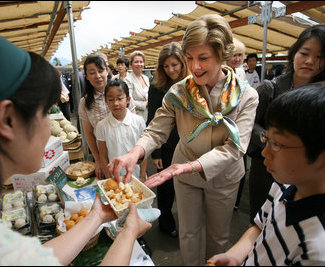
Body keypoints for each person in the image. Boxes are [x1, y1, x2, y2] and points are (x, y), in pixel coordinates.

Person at [0, 17, 151, 266]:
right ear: (8, 120)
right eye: (45, 113)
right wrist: (128, 232)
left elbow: (38, 259)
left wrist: (96, 216)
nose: (49, 128)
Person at [108, 14, 259, 265]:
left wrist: (186, 167)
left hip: (223, 176)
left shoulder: (245, 96)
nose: (195, 66)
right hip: (185, 172)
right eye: (189, 58)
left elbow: (235, 147)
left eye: (203, 58)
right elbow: (157, 129)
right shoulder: (179, 91)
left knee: (219, 236)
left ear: (221, 55)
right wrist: (134, 152)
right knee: (188, 234)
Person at [208, 80, 325, 266]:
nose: (265, 152)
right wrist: (235, 256)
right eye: (266, 138)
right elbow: (259, 226)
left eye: (277, 144)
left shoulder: (323, 254)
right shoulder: (285, 185)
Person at [247, 23, 325, 223]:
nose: (310, 61)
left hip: (307, 173)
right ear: (294, 53)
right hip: (266, 166)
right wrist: (268, 139)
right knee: (260, 218)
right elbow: (250, 123)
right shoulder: (270, 88)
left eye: (320, 57)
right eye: (304, 52)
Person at [146, 42, 189, 238]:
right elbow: (152, 120)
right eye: (166, 66)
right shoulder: (157, 87)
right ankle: (165, 222)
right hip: (166, 146)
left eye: (175, 64)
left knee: (187, 186)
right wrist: (155, 152)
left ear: (182, 63)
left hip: (189, 144)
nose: (171, 69)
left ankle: (188, 223)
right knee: (166, 188)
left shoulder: (192, 83)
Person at [78, 55, 136, 180]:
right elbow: (88, 133)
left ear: (107, 71)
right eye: (92, 73)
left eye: (100, 71)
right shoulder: (85, 102)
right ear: (86, 76)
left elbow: (134, 123)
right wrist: (98, 159)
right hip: (104, 157)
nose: (98, 76)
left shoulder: (121, 91)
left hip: (126, 150)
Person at [96, 79, 148, 182]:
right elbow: (103, 155)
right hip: (114, 177)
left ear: (128, 99)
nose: (115, 103)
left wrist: (142, 175)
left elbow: (144, 151)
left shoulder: (138, 121)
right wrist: (108, 178)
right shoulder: (102, 126)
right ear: (106, 101)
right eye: (111, 99)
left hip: (136, 175)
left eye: (120, 99)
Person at [225, 37, 248, 210]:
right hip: (224, 126)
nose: (237, 59)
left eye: (240, 55)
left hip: (239, 125)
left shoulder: (241, 73)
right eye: (234, 55)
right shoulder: (221, 73)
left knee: (239, 163)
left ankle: (235, 202)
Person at [124, 51, 150, 121]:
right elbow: (128, 100)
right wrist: (145, 104)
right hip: (136, 116)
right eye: (136, 62)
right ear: (131, 64)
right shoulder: (127, 80)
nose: (139, 64)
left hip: (148, 115)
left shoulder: (146, 78)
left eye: (141, 62)